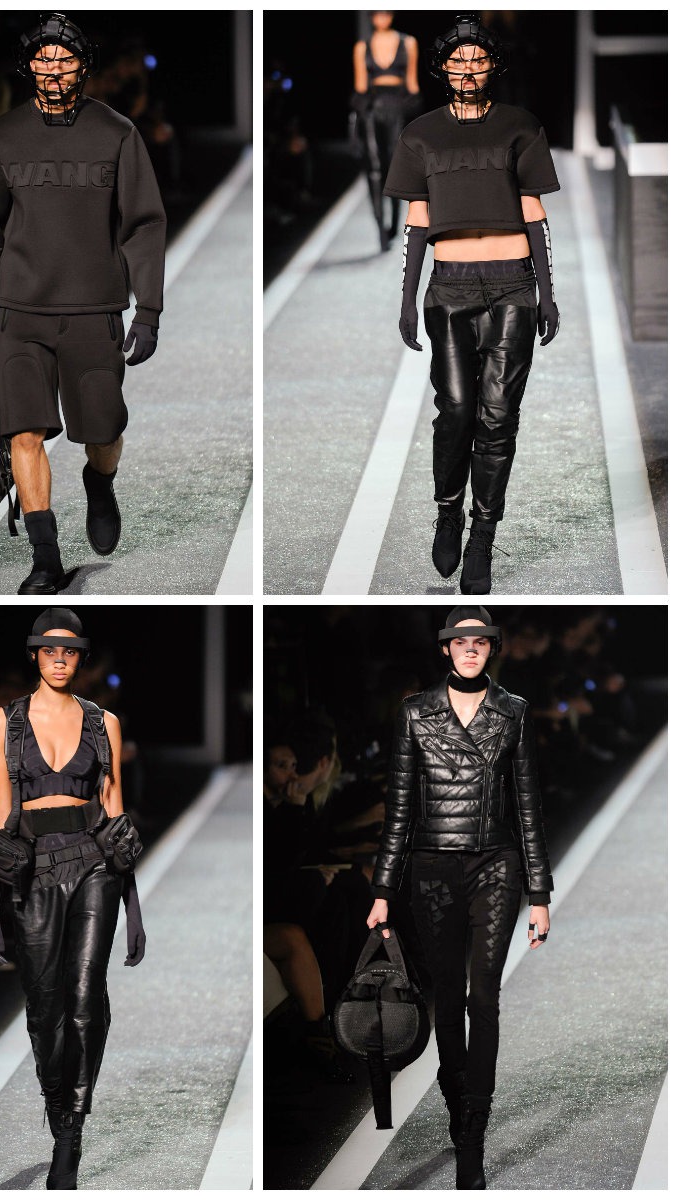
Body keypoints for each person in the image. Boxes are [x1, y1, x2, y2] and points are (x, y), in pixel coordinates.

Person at [0, 14, 166, 595]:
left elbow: (144, 223)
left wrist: (148, 310)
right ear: (28, 66)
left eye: (63, 59)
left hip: (94, 309)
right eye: (43, 59)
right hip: (19, 313)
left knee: (103, 428)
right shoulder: (1, 138)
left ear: (82, 65)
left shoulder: (116, 133)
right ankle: (45, 559)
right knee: (24, 434)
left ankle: (101, 481)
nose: (53, 69)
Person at [367, 606, 552, 1189]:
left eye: (481, 641)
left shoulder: (513, 711)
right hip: (432, 868)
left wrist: (540, 892)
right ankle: (457, 1110)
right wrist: (382, 889)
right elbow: (399, 807)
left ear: (492, 649)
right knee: (446, 998)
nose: (471, 649)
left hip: (496, 864)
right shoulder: (414, 713)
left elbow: (528, 806)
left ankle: (473, 1132)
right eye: (461, 641)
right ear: (445, 648)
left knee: (484, 998)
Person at [386, 13, 560, 593]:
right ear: (442, 68)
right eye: (458, 60)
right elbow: (417, 224)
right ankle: (448, 511)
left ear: (492, 66)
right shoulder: (419, 135)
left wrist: (547, 295)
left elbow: (534, 216)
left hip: (512, 284)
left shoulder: (521, 127)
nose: (467, 68)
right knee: (457, 409)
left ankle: (482, 537)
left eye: (477, 59)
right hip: (450, 286)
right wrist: (407, 300)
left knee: (498, 417)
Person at [0, 607, 145, 1189]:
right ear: (34, 655)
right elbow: (1, 813)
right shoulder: (3, 723)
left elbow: (115, 814)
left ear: (81, 657)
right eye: (49, 650)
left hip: (93, 863)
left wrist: (132, 905)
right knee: (45, 1007)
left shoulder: (104, 723)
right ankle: (59, 1112)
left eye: (69, 651)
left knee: (83, 998)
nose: (59, 659)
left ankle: (70, 1133)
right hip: (32, 871)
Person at [352, 11, 420, 250]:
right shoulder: (362, 47)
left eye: (386, 12)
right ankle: (381, 229)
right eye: (377, 13)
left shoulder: (408, 43)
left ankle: (393, 226)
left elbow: (412, 83)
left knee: (395, 165)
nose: (382, 17)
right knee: (374, 167)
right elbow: (361, 86)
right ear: (372, 17)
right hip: (371, 107)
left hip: (398, 107)